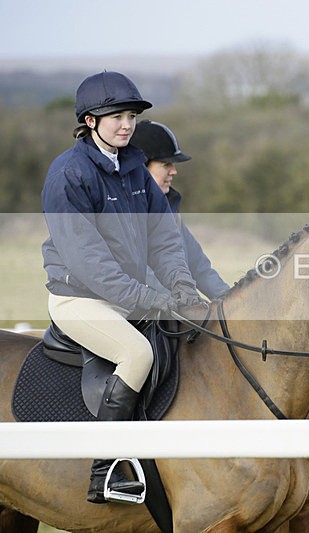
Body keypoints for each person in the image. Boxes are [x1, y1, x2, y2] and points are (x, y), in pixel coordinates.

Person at [41, 71, 204, 504]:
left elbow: (164, 238)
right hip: (79, 298)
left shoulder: (133, 167)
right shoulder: (69, 174)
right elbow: (90, 264)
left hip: (127, 297)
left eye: (131, 116)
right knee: (138, 354)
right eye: (117, 117)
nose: (127, 125)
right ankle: (106, 470)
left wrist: (183, 288)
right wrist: (153, 299)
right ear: (90, 121)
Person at [131, 119, 230, 299]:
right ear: (141, 168)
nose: (174, 171)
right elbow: (144, 274)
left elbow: (199, 267)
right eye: (166, 165)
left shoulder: (169, 210)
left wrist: (230, 300)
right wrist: (190, 304)